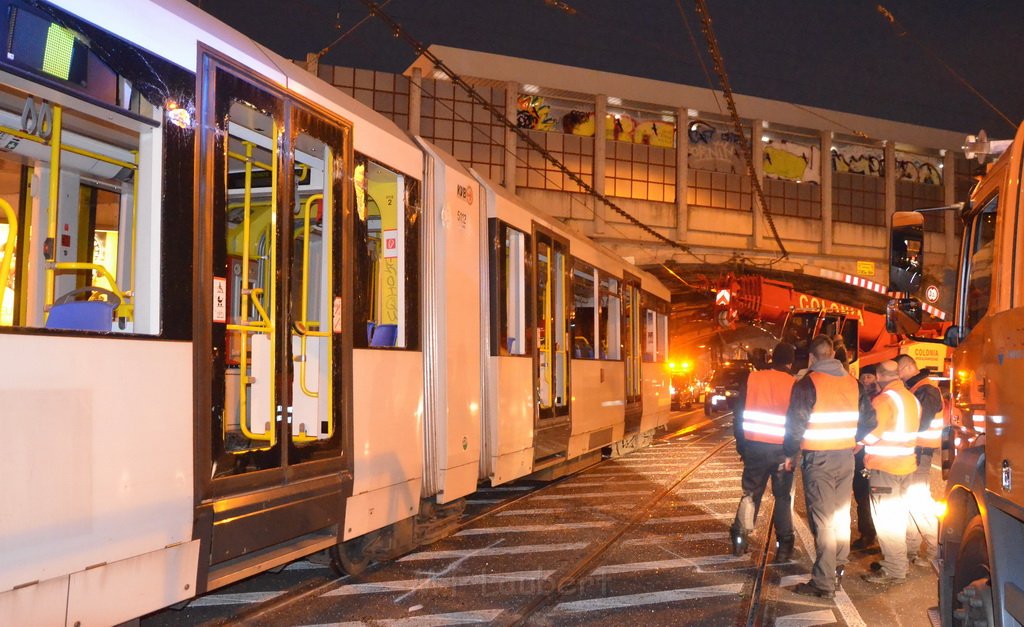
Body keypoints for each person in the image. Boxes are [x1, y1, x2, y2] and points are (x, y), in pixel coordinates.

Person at [783, 335, 876, 599]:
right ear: (833, 354)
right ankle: (837, 565)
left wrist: (790, 453)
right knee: (839, 513)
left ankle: (823, 582)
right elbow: (870, 420)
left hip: (819, 458)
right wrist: (854, 440)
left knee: (823, 519)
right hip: (846, 457)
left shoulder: (808, 383)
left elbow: (795, 424)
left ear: (812, 358)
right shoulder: (853, 383)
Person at [731, 342, 797, 561]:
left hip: (754, 448)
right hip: (781, 450)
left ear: (772, 357)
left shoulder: (753, 378)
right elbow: (796, 421)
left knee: (750, 493)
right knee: (781, 497)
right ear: (789, 362)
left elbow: (738, 414)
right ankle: (784, 547)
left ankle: (740, 539)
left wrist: (742, 445)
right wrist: (792, 451)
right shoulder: (793, 382)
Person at [860, 360, 922, 585]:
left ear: (878, 375)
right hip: (906, 465)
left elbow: (871, 434)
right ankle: (904, 558)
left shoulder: (884, 400)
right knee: (902, 515)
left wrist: (856, 441)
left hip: (884, 467)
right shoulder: (911, 399)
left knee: (888, 520)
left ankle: (894, 568)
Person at [895, 353, 943, 566]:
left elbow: (920, 423)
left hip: (921, 453)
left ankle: (935, 551)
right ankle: (911, 550)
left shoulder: (926, 389)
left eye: (897, 371)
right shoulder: (918, 389)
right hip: (914, 452)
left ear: (906, 368)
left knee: (918, 501)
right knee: (908, 502)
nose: (897, 376)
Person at [851, 364, 880, 550]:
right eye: (863, 377)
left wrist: (859, 443)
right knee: (861, 495)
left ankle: (870, 533)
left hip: (872, 452)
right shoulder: (858, 397)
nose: (865, 380)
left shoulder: (879, 399)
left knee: (870, 495)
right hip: (860, 454)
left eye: (869, 376)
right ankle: (867, 532)